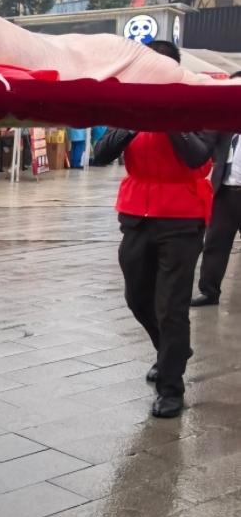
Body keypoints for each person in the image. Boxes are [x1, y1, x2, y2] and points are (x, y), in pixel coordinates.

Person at [91, 119, 216, 417]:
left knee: (171, 307)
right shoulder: (132, 111)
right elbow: (101, 153)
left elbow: (197, 156)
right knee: (137, 298)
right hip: (137, 214)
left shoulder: (199, 110)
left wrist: (166, 120)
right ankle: (172, 350)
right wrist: (133, 122)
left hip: (182, 217)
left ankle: (171, 387)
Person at [190, 70, 241, 308]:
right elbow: (204, 144)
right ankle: (209, 292)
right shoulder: (223, 122)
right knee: (215, 243)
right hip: (226, 192)